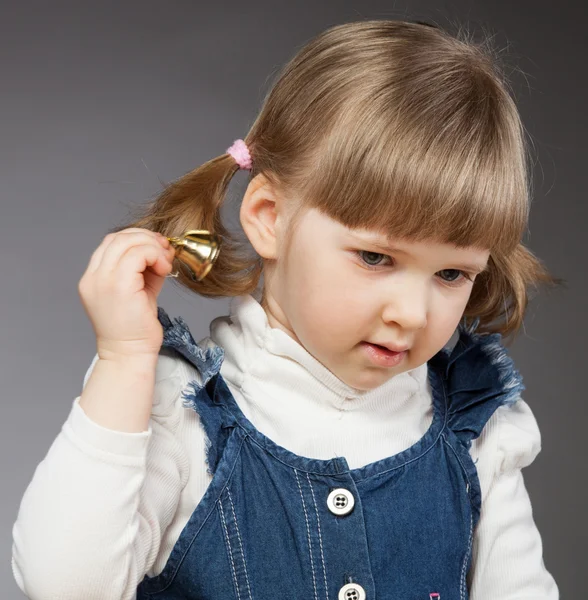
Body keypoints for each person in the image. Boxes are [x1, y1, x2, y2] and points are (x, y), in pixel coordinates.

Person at [11, 18, 562, 600]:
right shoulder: (183, 417)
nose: (412, 312)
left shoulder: (477, 438)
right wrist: (123, 359)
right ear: (269, 218)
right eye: (375, 258)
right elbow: (65, 585)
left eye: (451, 274)